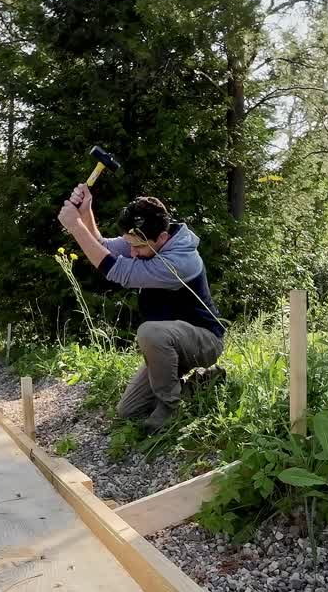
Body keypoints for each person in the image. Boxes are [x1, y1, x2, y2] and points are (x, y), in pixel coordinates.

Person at [57, 183, 225, 434]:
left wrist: (74, 227)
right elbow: (103, 245)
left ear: (162, 238)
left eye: (138, 247)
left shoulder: (181, 261)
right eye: (130, 245)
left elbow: (117, 271)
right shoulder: (144, 237)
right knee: (129, 411)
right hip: (169, 345)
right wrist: (85, 213)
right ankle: (202, 382)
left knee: (149, 333)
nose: (132, 253)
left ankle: (171, 408)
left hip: (203, 340)